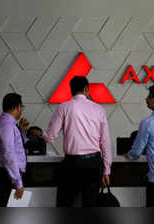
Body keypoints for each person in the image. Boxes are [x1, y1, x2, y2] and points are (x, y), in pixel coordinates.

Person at [44, 76, 112, 207]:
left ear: (71, 90)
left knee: (65, 204)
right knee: (90, 205)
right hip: (94, 164)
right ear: (86, 89)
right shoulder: (99, 109)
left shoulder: (63, 107)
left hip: (72, 164)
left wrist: (42, 134)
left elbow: (50, 137)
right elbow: (105, 142)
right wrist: (106, 170)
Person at [0, 93, 29, 207]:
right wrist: (18, 183)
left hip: (5, 174)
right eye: (22, 107)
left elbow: (15, 147)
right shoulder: (7, 125)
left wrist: (22, 131)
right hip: (6, 176)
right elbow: (9, 154)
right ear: (17, 107)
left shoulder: (4, 123)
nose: (21, 110)